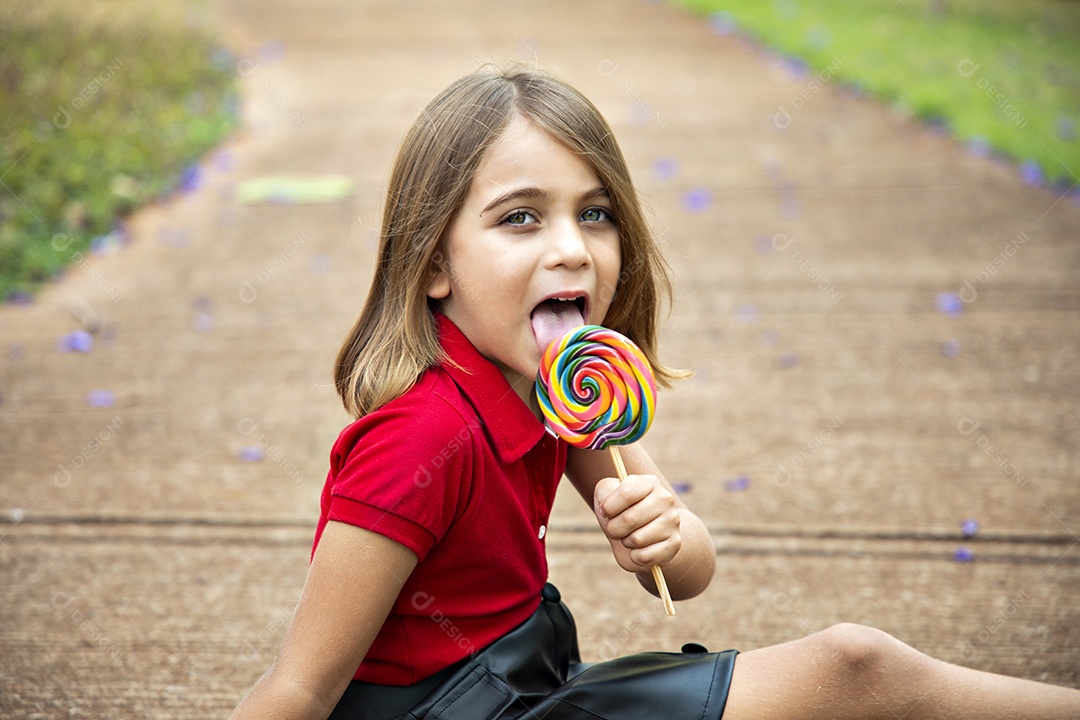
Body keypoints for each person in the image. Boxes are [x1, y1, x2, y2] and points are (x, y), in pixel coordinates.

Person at [230, 65, 1080, 720]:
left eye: (594, 213)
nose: (571, 248)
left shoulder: (560, 387)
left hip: (534, 687)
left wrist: (667, 536)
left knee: (855, 667)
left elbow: (687, 575)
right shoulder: (420, 437)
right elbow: (303, 689)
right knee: (854, 668)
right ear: (433, 264)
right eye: (520, 217)